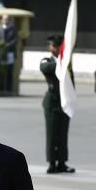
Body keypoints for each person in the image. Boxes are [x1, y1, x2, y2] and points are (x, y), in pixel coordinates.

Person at [40, 36, 74, 175]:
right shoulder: (47, 60)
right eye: (53, 46)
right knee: (52, 134)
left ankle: (62, 162)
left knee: (62, 133)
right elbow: (46, 68)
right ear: (50, 47)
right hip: (52, 103)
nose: (56, 48)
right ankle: (51, 163)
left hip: (64, 101)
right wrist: (61, 61)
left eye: (58, 46)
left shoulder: (67, 62)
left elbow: (71, 81)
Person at [0, 16, 18, 93]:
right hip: (1, 53)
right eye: (4, 19)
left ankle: (9, 88)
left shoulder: (13, 29)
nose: (6, 21)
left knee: (9, 71)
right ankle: (0, 88)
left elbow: (15, 40)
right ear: (2, 20)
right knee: (0, 71)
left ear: (10, 20)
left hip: (10, 52)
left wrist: (6, 46)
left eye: (7, 19)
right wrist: (1, 46)